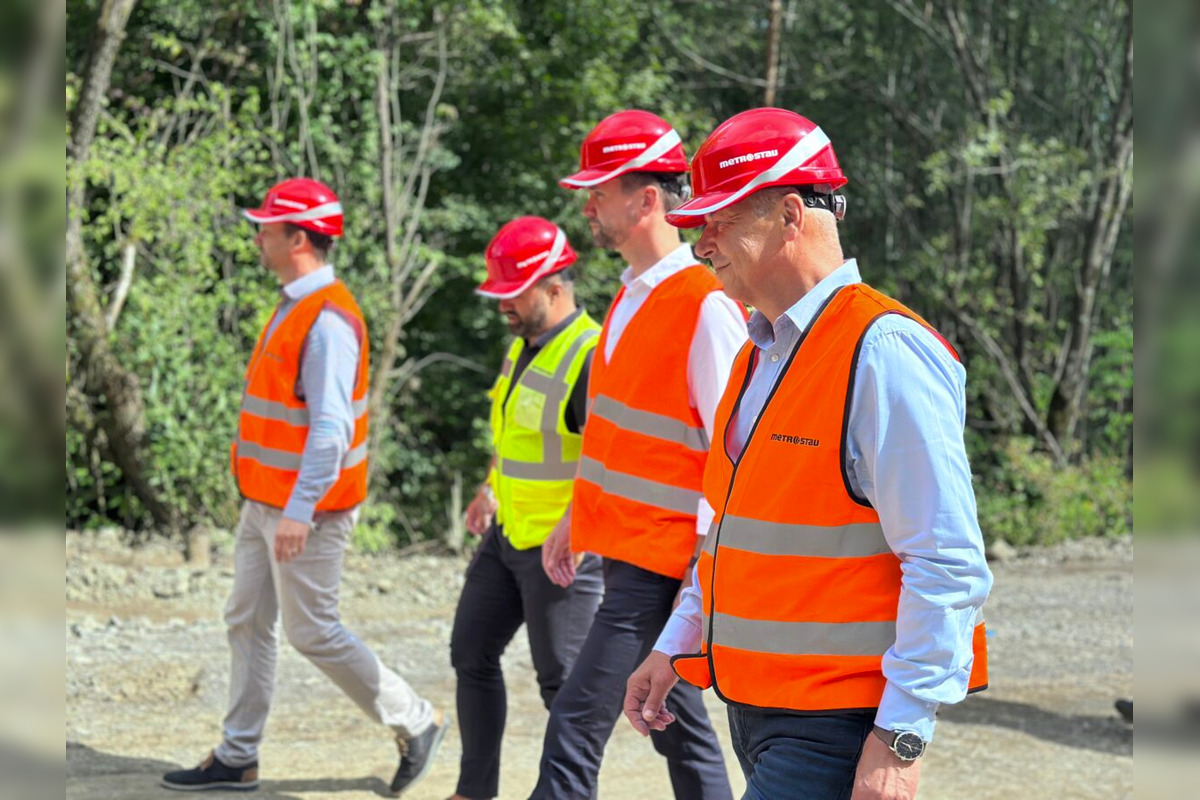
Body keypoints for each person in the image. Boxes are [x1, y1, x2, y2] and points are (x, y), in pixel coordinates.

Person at [622, 107, 992, 800]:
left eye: (720, 222)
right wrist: (677, 642)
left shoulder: (883, 351)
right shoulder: (757, 353)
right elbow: (732, 531)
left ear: (791, 215)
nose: (703, 245)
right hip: (759, 712)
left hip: (839, 727)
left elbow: (946, 562)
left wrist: (901, 738)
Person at [161, 178, 448, 795]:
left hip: (304, 511)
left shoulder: (328, 320)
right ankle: (238, 755)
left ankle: (417, 720)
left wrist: (297, 510)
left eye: (267, 228)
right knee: (246, 618)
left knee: (311, 630)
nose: (258, 237)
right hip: (264, 502)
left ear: (297, 238)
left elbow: (329, 432)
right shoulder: (296, 303)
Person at [530, 110, 747, 800]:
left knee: (572, 723)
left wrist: (705, 575)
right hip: (629, 553)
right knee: (676, 724)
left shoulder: (706, 304)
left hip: (664, 566)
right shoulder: (627, 296)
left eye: (600, 191)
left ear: (647, 198)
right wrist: (577, 519)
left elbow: (732, 450)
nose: (588, 206)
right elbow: (614, 443)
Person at [448, 217, 605, 800]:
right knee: (471, 651)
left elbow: (607, 461)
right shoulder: (524, 347)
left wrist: (577, 527)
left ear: (554, 287)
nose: (501, 308)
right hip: (507, 534)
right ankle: (474, 791)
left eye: (511, 294)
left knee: (561, 689)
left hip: (561, 552)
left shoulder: (590, 356)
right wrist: (489, 486)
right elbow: (517, 434)